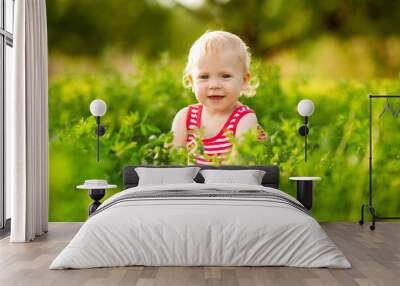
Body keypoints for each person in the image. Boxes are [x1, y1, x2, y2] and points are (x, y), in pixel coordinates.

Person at [171, 30, 266, 165]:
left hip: (230, 185)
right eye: (204, 77)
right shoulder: (185, 118)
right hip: (190, 185)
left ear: (244, 80)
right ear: (192, 82)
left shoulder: (245, 119)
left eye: (225, 76)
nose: (214, 85)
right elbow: (171, 162)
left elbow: (238, 165)